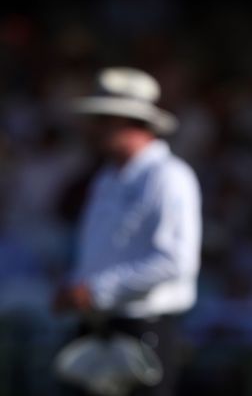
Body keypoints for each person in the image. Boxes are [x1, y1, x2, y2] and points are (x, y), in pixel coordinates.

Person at [52, 66, 202, 396]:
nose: (93, 129)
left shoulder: (169, 176)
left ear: (126, 122)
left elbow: (176, 261)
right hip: (99, 325)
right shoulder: (107, 179)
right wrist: (77, 287)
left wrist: (94, 290)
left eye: (101, 120)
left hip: (142, 329)